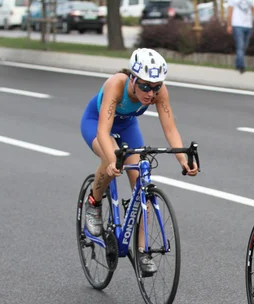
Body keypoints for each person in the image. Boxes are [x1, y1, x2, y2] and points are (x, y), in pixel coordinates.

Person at [80, 48, 199, 275]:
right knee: (111, 158)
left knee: (142, 182)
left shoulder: (159, 92)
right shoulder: (116, 84)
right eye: (144, 86)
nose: (150, 93)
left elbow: (170, 128)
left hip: (127, 125)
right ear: (133, 79)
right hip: (97, 123)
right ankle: (93, 203)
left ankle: (143, 251)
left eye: (155, 87)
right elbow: (103, 132)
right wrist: (114, 160)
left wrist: (183, 159)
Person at [226, 0, 254, 74]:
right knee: (240, 46)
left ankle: (238, 64)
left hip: (248, 25)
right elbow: (230, 11)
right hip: (237, 25)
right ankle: (241, 66)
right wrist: (229, 25)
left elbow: (253, 10)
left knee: (244, 47)